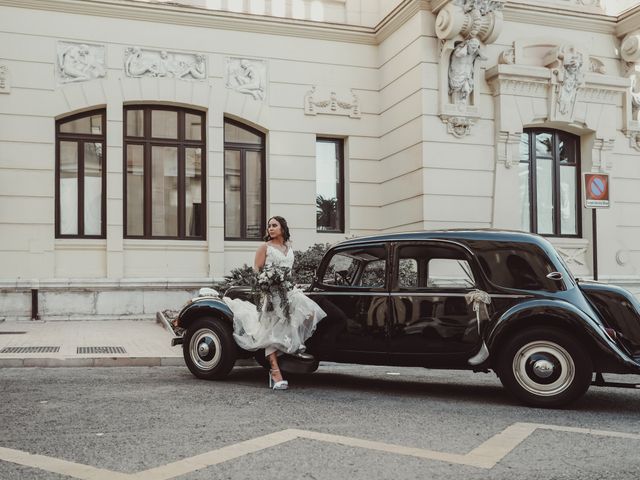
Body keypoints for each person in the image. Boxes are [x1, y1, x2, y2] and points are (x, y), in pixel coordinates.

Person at [223, 216, 327, 390]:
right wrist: (267, 281)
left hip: (289, 292)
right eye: (269, 226)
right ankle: (275, 371)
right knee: (270, 331)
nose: (270, 228)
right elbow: (256, 270)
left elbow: (289, 271)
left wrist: (288, 282)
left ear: (282, 228)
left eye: (274, 225)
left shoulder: (288, 247)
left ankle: (292, 348)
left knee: (310, 312)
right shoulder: (265, 247)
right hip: (271, 295)